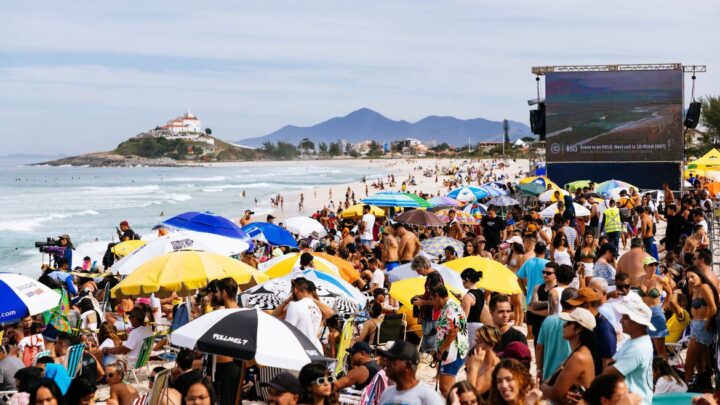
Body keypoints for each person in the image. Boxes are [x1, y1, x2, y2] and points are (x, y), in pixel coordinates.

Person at [603, 300, 655, 405]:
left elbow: (609, 372)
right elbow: (611, 363)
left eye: (625, 318)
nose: (621, 321)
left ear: (636, 323)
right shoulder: (634, 341)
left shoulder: (638, 347)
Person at [540, 307, 596, 402]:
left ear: (579, 329)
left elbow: (554, 394)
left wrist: (543, 386)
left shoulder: (578, 357)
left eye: (568, 323)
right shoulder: (579, 352)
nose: (564, 325)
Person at [683, 266, 718, 389]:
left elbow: (713, 308)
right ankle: (705, 392)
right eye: (688, 278)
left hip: (701, 328)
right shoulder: (695, 290)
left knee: (688, 366)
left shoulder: (704, 287)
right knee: (702, 367)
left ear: (700, 275)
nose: (690, 280)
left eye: (693, 276)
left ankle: (688, 394)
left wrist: (706, 323)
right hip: (696, 327)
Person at [377, 340, 444, 404]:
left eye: (391, 359)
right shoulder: (386, 394)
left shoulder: (428, 397)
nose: (386, 363)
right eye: (386, 358)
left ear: (407, 365)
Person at [567, 287, 616, 372]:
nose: (574, 309)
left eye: (576, 306)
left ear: (586, 305)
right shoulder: (586, 324)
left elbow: (607, 362)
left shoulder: (603, 328)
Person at [432, 285, 469, 396]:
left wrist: (440, 350)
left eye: (432, 299)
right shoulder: (450, 306)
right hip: (452, 350)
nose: (433, 302)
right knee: (450, 388)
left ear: (437, 296)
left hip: (453, 352)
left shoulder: (450, 308)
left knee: (445, 388)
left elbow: (453, 331)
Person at [535, 288, 575, 383]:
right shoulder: (576, 322)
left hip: (548, 376)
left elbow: (539, 347)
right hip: (568, 377)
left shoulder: (548, 320)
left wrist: (539, 370)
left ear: (560, 303)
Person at [273, 277, 323, 353]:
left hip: (300, 352)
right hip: (316, 351)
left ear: (295, 290)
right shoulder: (317, 307)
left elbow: (288, 332)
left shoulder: (294, 305)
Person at [636, 256, 671, 359]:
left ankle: (665, 373)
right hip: (642, 314)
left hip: (656, 312)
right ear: (645, 267)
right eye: (651, 265)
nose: (654, 267)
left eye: (655, 264)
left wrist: (663, 307)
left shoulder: (660, 279)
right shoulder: (639, 279)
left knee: (660, 348)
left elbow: (670, 293)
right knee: (643, 347)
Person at [409, 255, 444, 353]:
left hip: (433, 316)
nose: (418, 272)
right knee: (428, 343)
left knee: (429, 346)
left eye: (418, 270)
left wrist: (422, 302)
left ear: (424, 267)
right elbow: (431, 295)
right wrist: (420, 296)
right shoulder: (431, 277)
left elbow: (440, 300)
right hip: (430, 315)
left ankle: (428, 366)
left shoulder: (435, 278)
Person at [528, 262, 559, 347]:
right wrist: (549, 303)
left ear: (555, 275)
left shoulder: (557, 290)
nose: (544, 275)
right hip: (537, 327)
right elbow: (533, 304)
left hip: (551, 329)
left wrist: (535, 311)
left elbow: (551, 312)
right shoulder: (538, 287)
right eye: (543, 272)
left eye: (548, 273)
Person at [465, 325, 502, 395]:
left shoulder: (494, 368)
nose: (476, 345)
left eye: (479, 342)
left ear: (491, 345)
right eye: (476, 341)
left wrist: (474, 368)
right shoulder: (477, 359)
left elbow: (472, 395)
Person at [460, 268, 491, 342]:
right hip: (480, 325)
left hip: (470, 327)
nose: (462, 282)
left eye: (463, 280)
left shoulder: (467, 296)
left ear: (467, 279)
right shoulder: (480, 292)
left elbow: (464, 318)